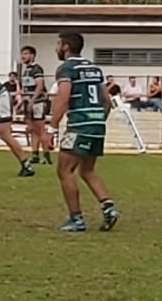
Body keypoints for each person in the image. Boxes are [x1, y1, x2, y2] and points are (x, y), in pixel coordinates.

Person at [48, 32, 119, 232]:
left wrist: (51, 127)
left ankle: (76, 219)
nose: (56, 48)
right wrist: (98, 121)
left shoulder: (66, 68)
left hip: (79, 124)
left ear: (66, 46)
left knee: (64, 170)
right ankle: (108, 207)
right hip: (96, 124)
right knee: (87, 170)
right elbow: (106, 99)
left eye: (58, 44)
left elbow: (62, 98)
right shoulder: (94, 68)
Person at [19, 45, 52, 165]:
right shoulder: (26, 70)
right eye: (22, 54)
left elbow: (39, 85)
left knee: (40, 129)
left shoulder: (36, 69)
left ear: (32, 55)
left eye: (26, 54)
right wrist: (22, 101)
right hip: (29, 101)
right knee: (32, 130)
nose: (23, 56)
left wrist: (33, 100)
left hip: (38, 102)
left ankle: (46, 155)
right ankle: (35, 154)